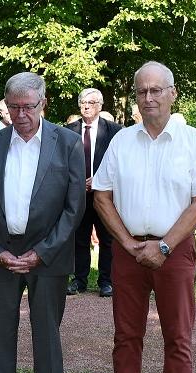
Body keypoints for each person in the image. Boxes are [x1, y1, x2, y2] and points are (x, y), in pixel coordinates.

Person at [91, 61, 196, 373]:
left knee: (178, 335)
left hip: (174, 251)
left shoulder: (192, 140)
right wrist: (127, 243)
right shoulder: (121, 141)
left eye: (156, 90)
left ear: (172, 93)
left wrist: (163, 246)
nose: (149, 97)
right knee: (127, 334)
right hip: (127, 251)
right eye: (142, 91)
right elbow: (101, 196)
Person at [0, 72, 85, 373]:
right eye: (13, 107)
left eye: (28, 106)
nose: (20, 114)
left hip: (48, 255)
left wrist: (43, 252)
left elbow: (74, 207)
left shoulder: (68, 143)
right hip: (1, 254)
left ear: (43, 104)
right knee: (1, 327)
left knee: (47, 329)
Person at [65, 88, 123, 297]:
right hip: (78, 195)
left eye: (91, 102)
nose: (86, 106)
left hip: (105, 195)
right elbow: (62, 164)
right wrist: (79, 182)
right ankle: (79, 280)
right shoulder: (68, 131)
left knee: (107, 238)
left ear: (100, 105)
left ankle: (106, 281)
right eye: (83, 102)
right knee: (79, 239)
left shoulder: (115, 131)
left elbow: (120, 163)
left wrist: (98, 181)